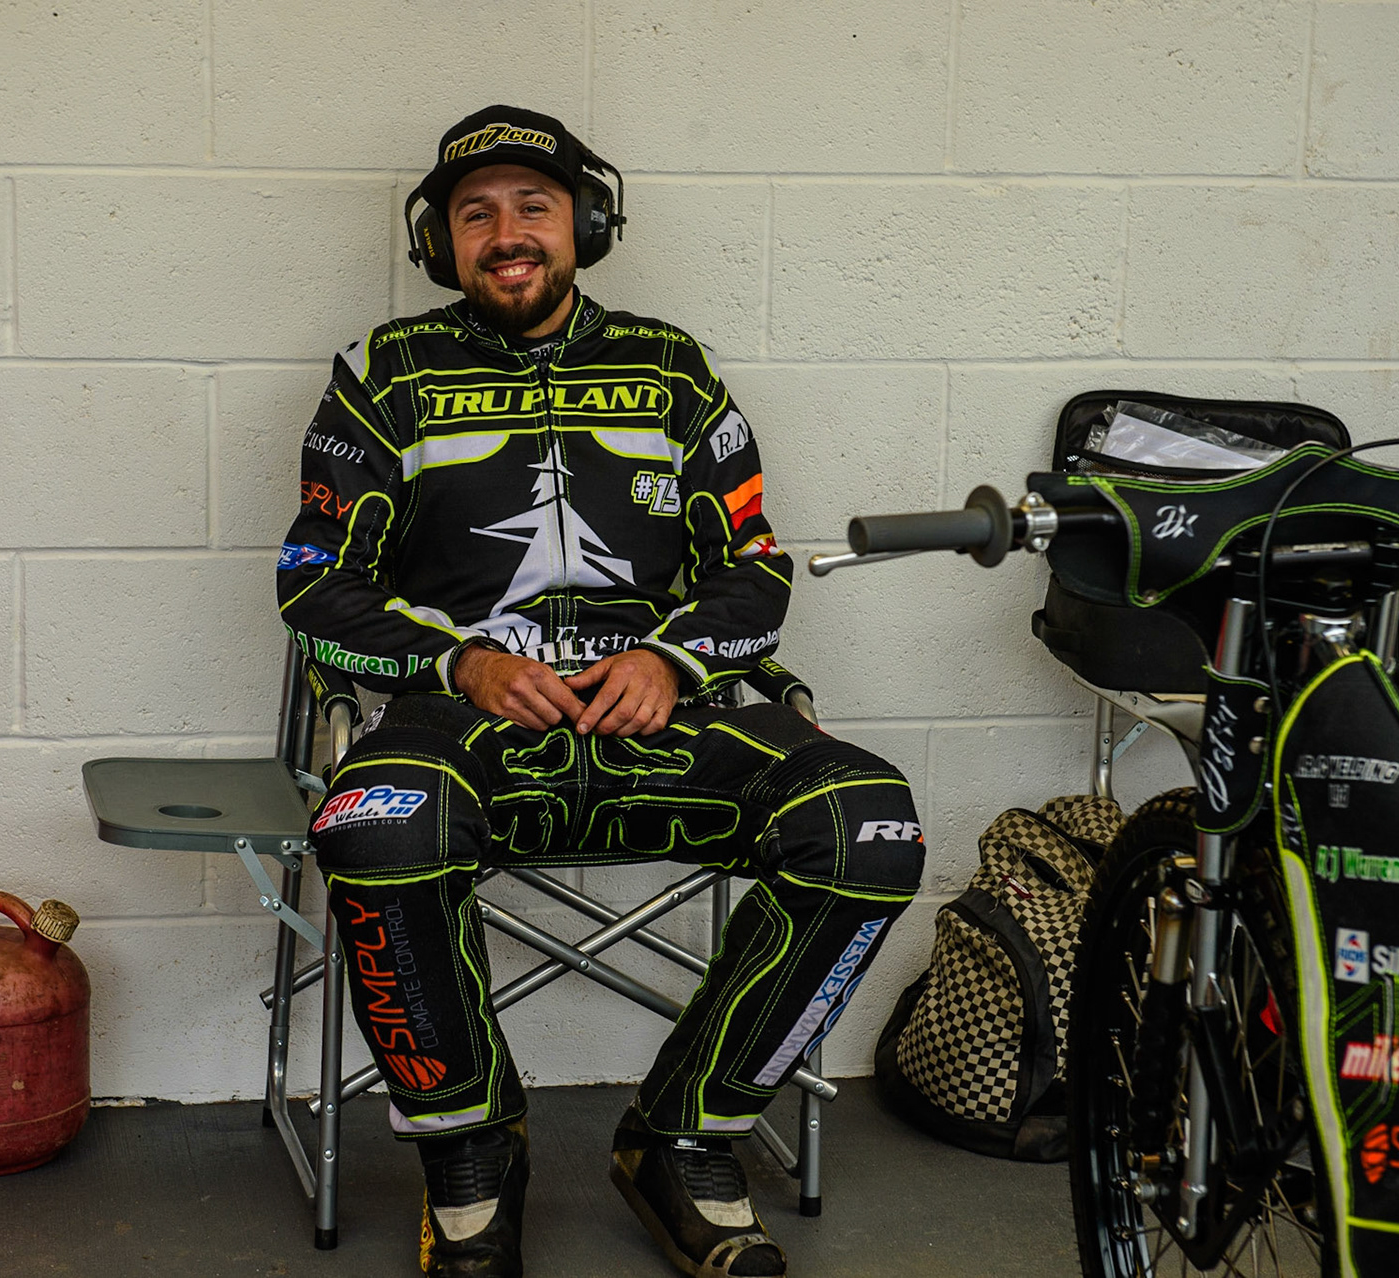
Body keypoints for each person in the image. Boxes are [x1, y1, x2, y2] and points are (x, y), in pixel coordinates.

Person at [276, 105, 925, 1278]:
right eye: (476, 214)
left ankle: (686, 1138)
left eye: (534, 205)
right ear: (442, 242)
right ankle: (474, 1154)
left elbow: (755, 565)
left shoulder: (675, 370)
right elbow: (313, 582)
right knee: (377, 828)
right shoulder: (384, 374)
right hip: (462, 726)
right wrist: (462, 663)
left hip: (671, 716)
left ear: (588, 222)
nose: (507, 233)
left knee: (868, 824)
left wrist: (669, 661)